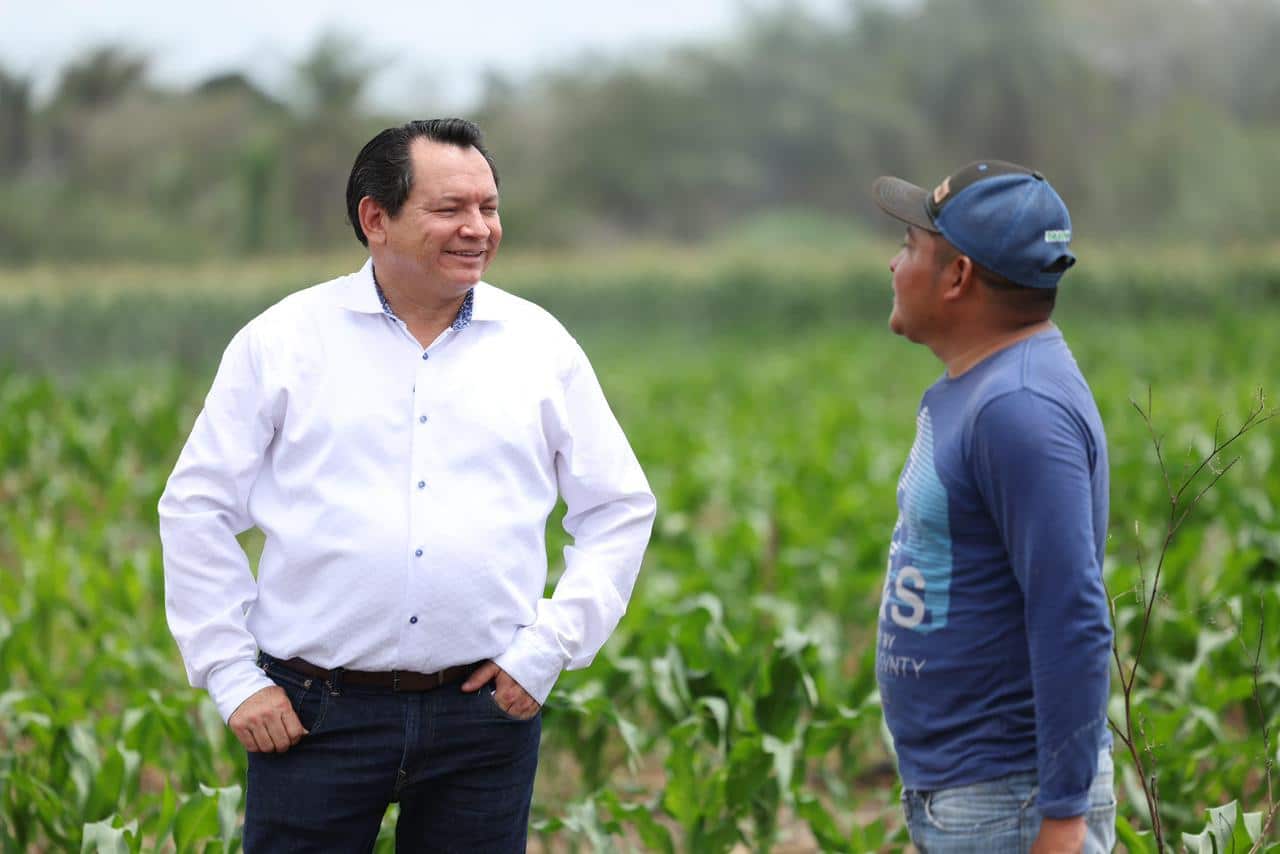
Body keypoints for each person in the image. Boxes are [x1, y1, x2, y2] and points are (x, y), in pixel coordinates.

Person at [159, 118, 657, 852]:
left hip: (483, 715)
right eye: (450, 209)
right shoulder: (284, 341)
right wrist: (233, 676)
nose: (477, 229)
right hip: (311, 714)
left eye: (488, 208)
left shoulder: (539, 345)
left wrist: (548, 648)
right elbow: (196, 508)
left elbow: (617, 507)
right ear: (375, 219)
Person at [870, 161, 1115, 853]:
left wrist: (1063, 819)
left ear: (958, 277)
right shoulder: (982, 388)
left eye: (912, 247)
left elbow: (1072, 612)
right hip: (973, 795)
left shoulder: (1018, 408)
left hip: (1012, 802)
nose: (893, 264)